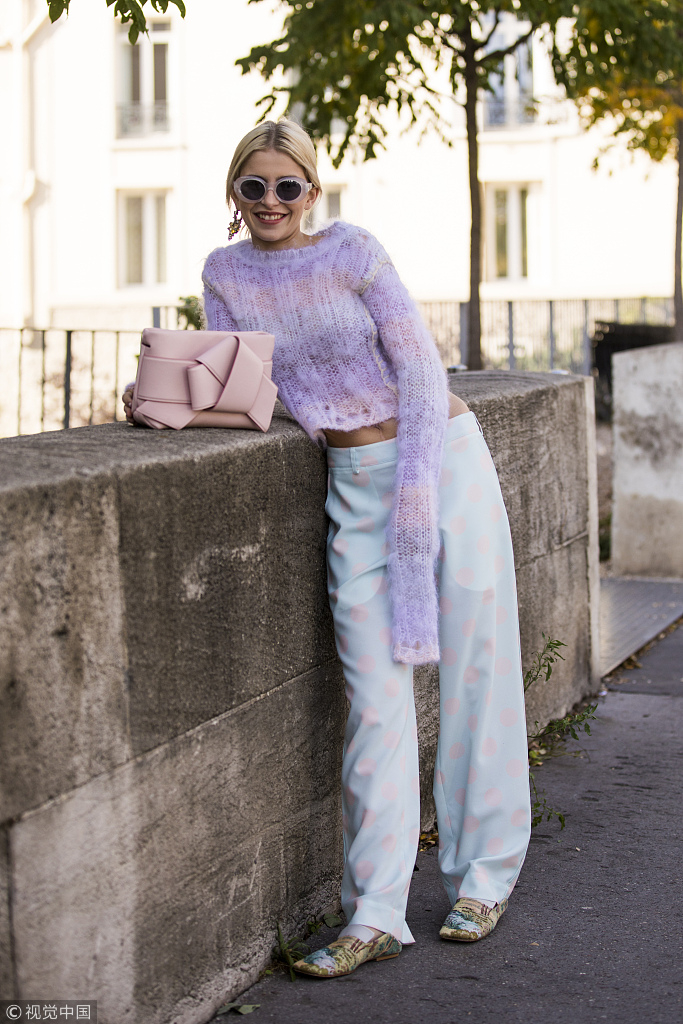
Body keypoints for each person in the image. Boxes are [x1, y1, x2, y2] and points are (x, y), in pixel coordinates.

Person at [122, 119, 531, 979]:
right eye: (254, 187)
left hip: (440, 464)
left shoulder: (353, 251)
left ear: (311, 190)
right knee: (374, 701)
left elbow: (420, 370)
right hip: (352, 484)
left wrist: (413, 499)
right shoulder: (223, 273)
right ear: (234, 194)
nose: (271, 202)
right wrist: (161, 395)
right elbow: (249, 386)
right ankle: (375, 911)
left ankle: (482, 880)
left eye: (287, 186)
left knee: (476, 673)